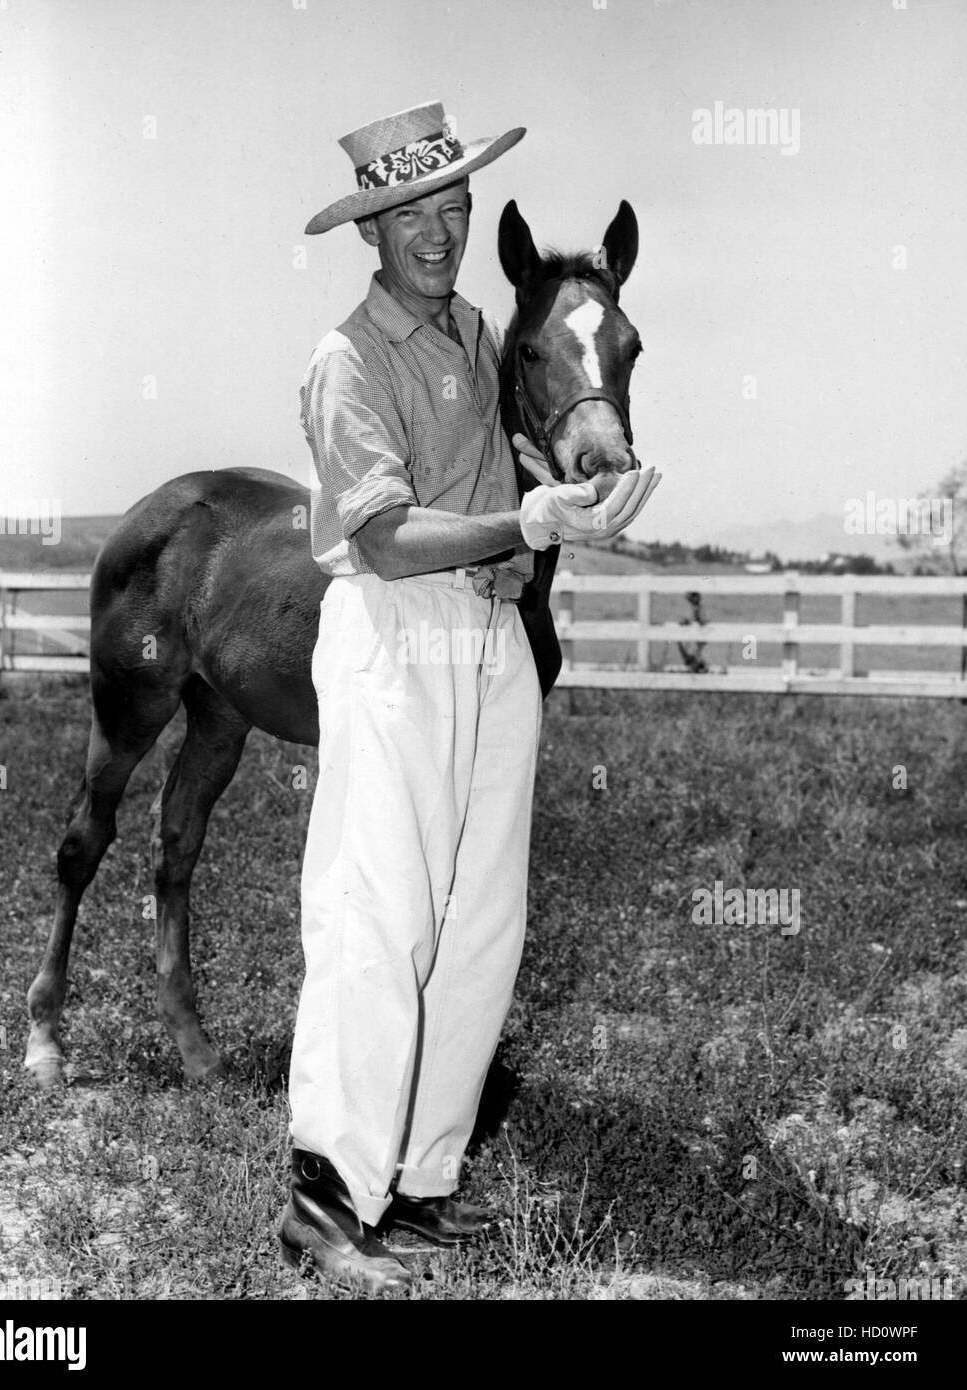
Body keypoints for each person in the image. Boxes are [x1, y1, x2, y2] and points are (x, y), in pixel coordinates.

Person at [281, 100, 659, 1293]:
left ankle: (424, 1179)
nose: (439, 233)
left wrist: (578, 496)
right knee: (379, 913)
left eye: (452, 208)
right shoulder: (350, 360)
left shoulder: (479, 334)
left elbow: (523, 459)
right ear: (372, 233)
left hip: (495, 634)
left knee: (481, 924)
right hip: (398, 634)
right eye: (412, 217)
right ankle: (326, 1203)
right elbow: (386, 538)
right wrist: (525, 518)